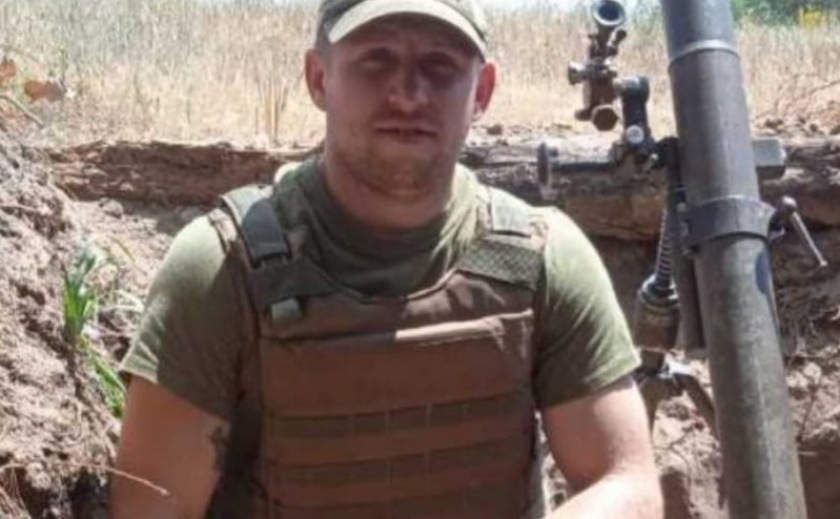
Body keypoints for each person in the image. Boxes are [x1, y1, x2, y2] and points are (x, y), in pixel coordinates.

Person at [110, 1, 663, 518]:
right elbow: (152, 510)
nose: (408, 92)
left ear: (482, 90)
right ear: (319, 78)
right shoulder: (221, 270)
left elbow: (625, 484)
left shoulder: (541, 259)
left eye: (439, 65)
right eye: (376, 60)